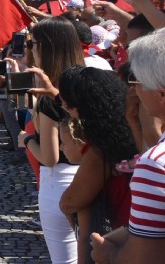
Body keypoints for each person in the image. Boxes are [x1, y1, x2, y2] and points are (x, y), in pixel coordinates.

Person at [90, 28, 165, 264]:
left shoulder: (155, 164)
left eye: (135, 80)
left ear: (161, 94)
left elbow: (142, 259)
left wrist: (108, 254)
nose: (133, 90)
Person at [54, 67, 139, 263]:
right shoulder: (134, 126)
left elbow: (73, 201)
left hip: (123, 238)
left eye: (66, 105)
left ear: (81, 107)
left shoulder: (100, 151)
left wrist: (65, 206)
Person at [22, 16, 85, 264]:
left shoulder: (51, 96)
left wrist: (26, 138)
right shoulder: (91, 80)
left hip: (59, 182)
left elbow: (49, 157)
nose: (29, 48)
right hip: (92, 176)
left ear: (45, 47)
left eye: (31, 44)